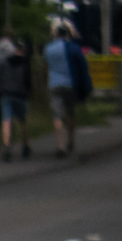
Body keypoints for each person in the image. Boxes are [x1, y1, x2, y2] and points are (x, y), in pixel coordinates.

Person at [44, 22, 89, 156]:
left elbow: (45, 67)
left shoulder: (49, 48)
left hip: (54, 85)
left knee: (57, 116)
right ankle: (71, 141)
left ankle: (60, 146)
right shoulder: (73, 48)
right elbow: (82, 66)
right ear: (67, 34)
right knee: (70, 113)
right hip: (70, 85)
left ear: (56, 34)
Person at [0, 35, 32, 161]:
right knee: (22, 121)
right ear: (23, 50)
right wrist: (27, 92)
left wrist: (0, 89)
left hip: (6, 94)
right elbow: (27, 81)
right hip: (20, 95)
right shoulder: (25, 63)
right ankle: (25, 146)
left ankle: (6, 147)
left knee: (6, 120)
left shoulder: (5, 61)